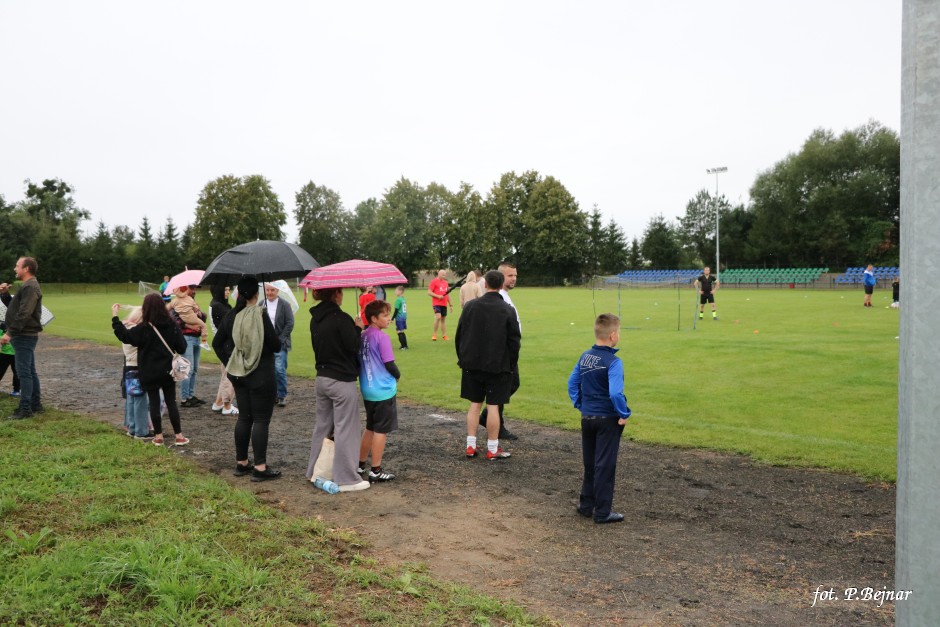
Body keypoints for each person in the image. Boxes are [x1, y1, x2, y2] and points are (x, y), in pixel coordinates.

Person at [213, 277, 283, 482]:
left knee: (244, 417)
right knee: (261, 419)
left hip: (239, 374)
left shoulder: (231, 315)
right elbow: (276, 345)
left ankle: (242, 462)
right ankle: (260, 467)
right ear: (256, 294)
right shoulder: (259, 314)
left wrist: (230, 362)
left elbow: (217, 343)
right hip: (261, 373)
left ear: (238, 294)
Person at [567, 313, 631, 524]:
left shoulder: (585, 356)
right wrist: (624, 413)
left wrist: (581, 405)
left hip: (587, 417)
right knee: (605, 465)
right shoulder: (614, 362)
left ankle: (586, 505)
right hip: (607, 419)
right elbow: (615, 393)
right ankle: (602, 512)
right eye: (619, 332)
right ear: (612, 335)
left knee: (590, 462)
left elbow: (572, 384)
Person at [305, 288, 370, 492]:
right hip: (341, 380)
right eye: (340, 292)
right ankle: (347, 478)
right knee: (346, 429)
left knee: (322, 426)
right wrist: (358, 328)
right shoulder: (341, 318)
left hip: (322, 377)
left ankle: (314, 471)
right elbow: (353, 346)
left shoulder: (315, 319)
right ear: (335, 294)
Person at [456, 270, 521, 461]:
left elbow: (460, 335)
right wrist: (511, 363)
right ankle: (492, 448)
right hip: (498, 365)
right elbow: (514, 341)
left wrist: (463, 358)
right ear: (501, 285)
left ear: (485, 285)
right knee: (493, 406)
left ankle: (470, 446)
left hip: (472, 363)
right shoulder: (507, 309)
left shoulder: (470, 306)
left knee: (475, 404)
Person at [111, 293, 189, 446]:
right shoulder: (172, 325)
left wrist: (115, 318)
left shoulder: (143, 328)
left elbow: (124, 336)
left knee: (154, 402)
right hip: (167, 370)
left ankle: (158, 436)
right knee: (171, 402)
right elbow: (182, 347)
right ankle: (179, 436)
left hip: (148, 371)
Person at [357, 300, 400, 483]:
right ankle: (375, 470)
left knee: (370, 427)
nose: (389, 318)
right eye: (385, 315)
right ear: (374, 318)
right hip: (383, 390)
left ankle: (360, 465)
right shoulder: (383, 338)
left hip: (367, 389)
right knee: (380, 430)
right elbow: (389, 363)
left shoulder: (362, 335)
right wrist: (398, 375)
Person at [479, 261, 521, 440]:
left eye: (515, 275)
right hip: (502, 352)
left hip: (507, 350)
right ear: (500, 277)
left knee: (510, 385)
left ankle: (489, 417)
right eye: (510, 275)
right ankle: (494, 422)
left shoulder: (505, 296)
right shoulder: (499, 298)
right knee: (505, 386)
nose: (514, 278)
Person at [1, 257, 44, 419]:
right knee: (29, 371)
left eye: (17, 266)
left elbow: (24, 313)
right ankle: (35, 404)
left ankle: (25, 409)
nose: (15, 269)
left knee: (24, 373)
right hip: (24, 334)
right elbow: (17, 307)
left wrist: (9, 333)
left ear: (26, 269)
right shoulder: (28, 285)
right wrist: (5, 295)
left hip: (23, 335)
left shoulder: (30, 286)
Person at [169, 285, 209, 407]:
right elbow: (174, 320)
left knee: (194, 369)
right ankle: (184, 398)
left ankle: (190, 396)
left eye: (194, 289)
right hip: (186, 339)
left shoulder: (191, 302)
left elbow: (203, 318)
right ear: (185, 289)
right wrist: (190, 326)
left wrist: (200, 313)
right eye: (192, 288)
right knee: (187, 368)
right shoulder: (177, 302)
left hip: (196, 338)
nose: (194, 291)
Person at [118, 306, 152, 439]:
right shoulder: (136, 331)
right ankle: (141, 431)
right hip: (138, 367)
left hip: (129, 366)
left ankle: (132, 428)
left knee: (132, 399)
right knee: (140, 400)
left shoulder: (127, 329)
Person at [263, 283, 295, 407]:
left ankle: (281, 395)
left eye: (272, 290)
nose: (269, 292)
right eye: (267, 290)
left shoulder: (285, 305)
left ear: (277, 291)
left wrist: (280, 339)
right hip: (266, 343)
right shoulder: (261, 304)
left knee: (279, 369)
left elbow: (290, 323)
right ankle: (273, 394)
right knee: (267, 370)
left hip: (280, 342)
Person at [209, 285, 238, 416]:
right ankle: (227, 405)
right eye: (225, 290)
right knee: (229, 375)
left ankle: (219, 403)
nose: (228, 292)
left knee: (226, 374)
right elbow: (232, 322)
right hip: (226, 345)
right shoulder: (219, 306)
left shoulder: (218, 304)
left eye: (228, 289)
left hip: (224, 343)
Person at [0, 289, 19, 397]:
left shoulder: (18, 323)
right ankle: (17, 390)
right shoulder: (3, 324)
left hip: (15, 353)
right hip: (5, 352)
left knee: (17, 372)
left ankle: (17, 389)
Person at [428, 269, 453, 340]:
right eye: (443, 275)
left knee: (443, 320)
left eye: (445, 275)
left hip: (444, 304)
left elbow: (448, 294)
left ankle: (444, 335)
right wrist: (438, 296)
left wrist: (451, 305)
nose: (444, 276)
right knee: (438, 317)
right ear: (438, 274)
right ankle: (434, 334)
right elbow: (429, 292)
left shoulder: (446, 283)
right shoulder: (434, 282)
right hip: (436, 304)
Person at [392, 285, 409, 350]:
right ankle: (405, 345)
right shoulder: (403, 299)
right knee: (401, 331)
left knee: (399, 331)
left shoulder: (398, 299)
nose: (395, 292)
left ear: (400, 291)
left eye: (396, 291)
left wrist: (392, 318)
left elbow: (396, 310)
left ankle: (403, 346)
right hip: (404, 317)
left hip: (399, 317)